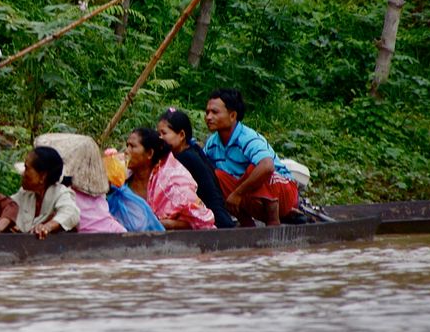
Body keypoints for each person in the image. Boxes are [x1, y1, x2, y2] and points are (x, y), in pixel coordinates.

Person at [202, 88, 299, 227]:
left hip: (284, 193)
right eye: (207, 112)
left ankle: (273, 221)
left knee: (257, 168)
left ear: (232, 116)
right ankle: (247, 224)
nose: (208, 117)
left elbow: (267, 166)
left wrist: (237, 194)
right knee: (213, 176)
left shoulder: (247, 137)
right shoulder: (212, 144)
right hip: (250, 196)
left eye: (215, 112)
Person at [157, 108, 236, 228]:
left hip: (213, 221)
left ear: (181, 135)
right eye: (158, 134)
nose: (160, 138)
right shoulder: (193, 151)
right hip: (219, 217)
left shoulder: (184, 159)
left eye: (164, 133)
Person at [124, 128, 216, 230]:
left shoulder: (172, 183)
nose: (126, 151)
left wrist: (166, 224)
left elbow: (202, 221)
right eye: (127, 146)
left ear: (149, 153)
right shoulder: (121, 180)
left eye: (132, 146)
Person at [11, 146, 80, 239]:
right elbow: (8, 205)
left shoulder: (60, 193)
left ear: (42, 176)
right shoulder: (25, 193)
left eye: (27, 168)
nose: (23, 173)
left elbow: (71, 213)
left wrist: (47, 227)